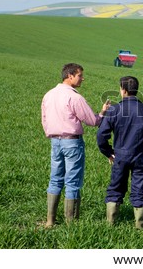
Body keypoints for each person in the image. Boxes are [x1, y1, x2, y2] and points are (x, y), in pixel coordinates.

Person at [41, 63, 110, 227]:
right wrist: (102, 112)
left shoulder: (48, 95)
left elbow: (44, 119)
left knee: (55, 179)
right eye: (80, 75)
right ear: (70, 76)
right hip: (72, 142)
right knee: (72, 181)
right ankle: (71, 224)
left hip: (55, 141)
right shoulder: (74, 97)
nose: (82, 78)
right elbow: (92, 121)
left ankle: (50, 221)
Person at [97, 76, 143, 229]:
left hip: (120, 156)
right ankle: (141, 227)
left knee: (115, 188)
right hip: (140, 156)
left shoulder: (114, 110)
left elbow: (101, 135)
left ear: (123, 90)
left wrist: (108, 152)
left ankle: (110, 225)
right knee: (140, 190)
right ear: (136, 89)